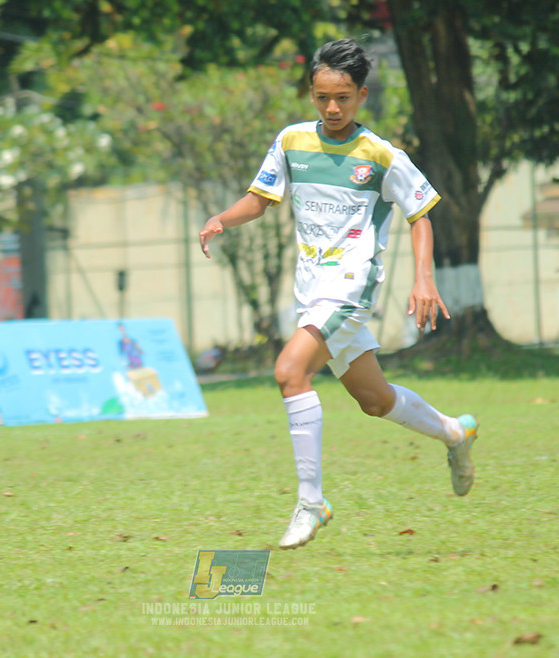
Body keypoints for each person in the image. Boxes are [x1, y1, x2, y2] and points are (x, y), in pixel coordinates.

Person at [198, 38, 478, 550]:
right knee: (375, 401)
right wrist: (222, 218)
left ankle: (311, 503)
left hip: (351, 288)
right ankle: (455, 434)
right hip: (311, 292)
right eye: (323, 96)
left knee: (289, 372)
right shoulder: (291, 142)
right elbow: (261, 200)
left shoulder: (382, 155)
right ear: (311, 93)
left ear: (362, 95)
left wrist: (424, 278)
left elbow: (421, 215)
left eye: (343, 97)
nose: (332, 108)